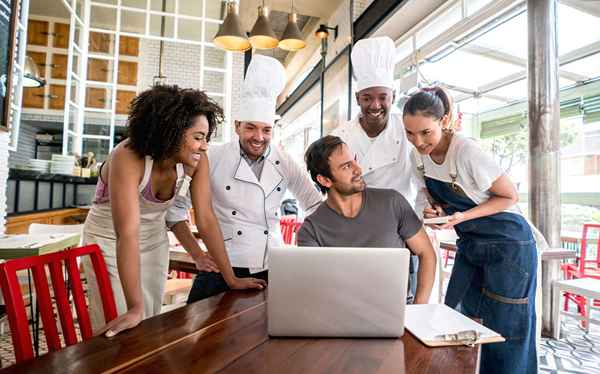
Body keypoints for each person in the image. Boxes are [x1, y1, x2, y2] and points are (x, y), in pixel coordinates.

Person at [82, 85, 265, 338]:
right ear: (171, 132)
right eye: (198, 137)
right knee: (120, 319)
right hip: (109, 241)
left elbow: (206, 219)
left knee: (149, 319)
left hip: (153, 241)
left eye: (206, 138)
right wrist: (134, 307)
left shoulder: (197, 161)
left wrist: (230, 277)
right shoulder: (127, 157)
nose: (204, 146)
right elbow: (127, 233)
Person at [402, 87, 539, 374]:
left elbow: (508, 196)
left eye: (426, 132)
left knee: (507, 331)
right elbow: (436, 200)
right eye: (410, 134)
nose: (418, 141)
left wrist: (462, 215)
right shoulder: (418, 157)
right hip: (472, 245)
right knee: (459, 320)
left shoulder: (466, 151)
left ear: (444, 120)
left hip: (510, 247)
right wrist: (438, 213)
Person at [166, 55, 322, 302]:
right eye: (250, 127)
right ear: (237, 126)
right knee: (202, 336)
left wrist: (308, 253)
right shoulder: (210, 156)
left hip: (273, 266)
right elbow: (175, 212)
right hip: (223, 265)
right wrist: (196, 254)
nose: (258, 137)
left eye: (266, 129)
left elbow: (314, 205)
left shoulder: (285, 161)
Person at [297, 135, 436, 304]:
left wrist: (419, 309)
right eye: (347, 166)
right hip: (342, 316)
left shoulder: (392, 202)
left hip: (397, 312)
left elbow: (426, 253)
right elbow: (316, 288)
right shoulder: (311, 230)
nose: (358, 169)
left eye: (354, 160)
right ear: (325, 180)